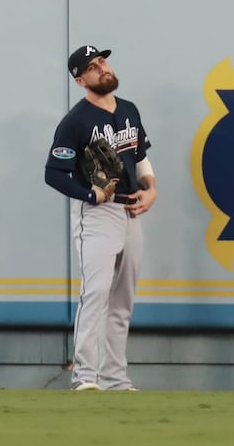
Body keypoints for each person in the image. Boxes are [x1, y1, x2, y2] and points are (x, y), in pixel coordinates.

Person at [47, 44, 157, 392]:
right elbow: (54, 173)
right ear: (80, 81)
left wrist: (151, 188)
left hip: (131, 210)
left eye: (102, 61)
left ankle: (115, 378)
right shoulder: (75, 122)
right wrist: (89, 194)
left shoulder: (129, 110)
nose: (102, 68)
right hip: (96, 214)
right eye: (92, 67)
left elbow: (139, 157)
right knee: (95, 293)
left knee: (122, 299)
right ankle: (85, 376)